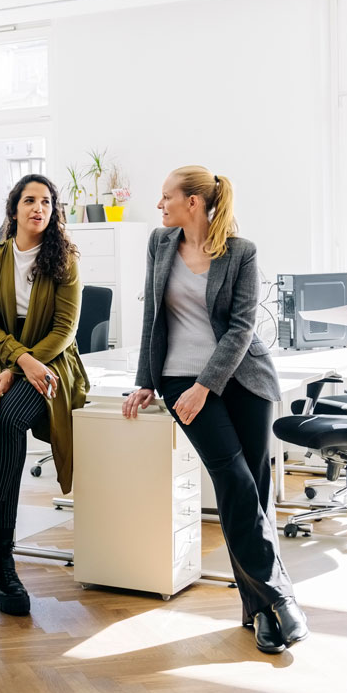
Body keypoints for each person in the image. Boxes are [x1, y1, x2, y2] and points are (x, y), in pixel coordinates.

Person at [123, 167, 308, 654]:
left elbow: (241, 328)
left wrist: (210, 383)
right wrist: (146, 380)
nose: (159, 205)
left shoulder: (240, 252)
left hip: (244, 379)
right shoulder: (160, 244)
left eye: (167, 197)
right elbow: (152, 317)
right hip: (182, 381)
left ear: (195, 204)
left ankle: (259, 613)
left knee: (255, 492)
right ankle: (280, 598)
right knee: (234, 481)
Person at [0, 174, 87, 615]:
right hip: (0, 363)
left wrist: (24, 364)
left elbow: (65, 330)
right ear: (13, 210)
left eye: (47, 202)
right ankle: (2, 566)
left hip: (51, 368)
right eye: (30, 200)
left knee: (7, 421)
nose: (39, 208)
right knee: (5, 432)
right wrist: (13, 361)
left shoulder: (65, 260)